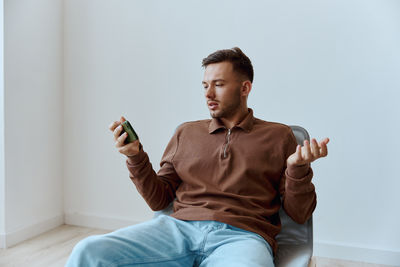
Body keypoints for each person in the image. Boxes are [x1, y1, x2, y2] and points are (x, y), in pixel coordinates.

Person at [66, 47, 329, 267]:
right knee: (88, 251)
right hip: (179, 230)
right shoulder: (186, 132)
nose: (208, 93)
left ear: (245, 87)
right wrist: (136, 157)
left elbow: (299, 212)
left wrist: (298, 169)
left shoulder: (279, 136)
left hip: (244, 237)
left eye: (218, 84)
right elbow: (159, 200)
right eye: (205, 85)